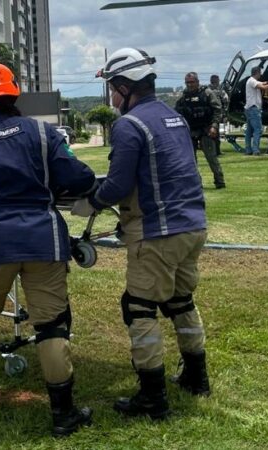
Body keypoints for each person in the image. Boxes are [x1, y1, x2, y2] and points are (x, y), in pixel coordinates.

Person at [0, 63, 96, 437]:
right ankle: (63, 414)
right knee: (52, 324)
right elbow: (79, 177)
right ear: (15, 93)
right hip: (43, 239)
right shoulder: (45, 134)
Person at [74, 47, 211, 420]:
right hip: (193, 226)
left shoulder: (129, 125)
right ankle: (198, 377)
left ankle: (153, 398)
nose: (112, 98)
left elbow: (117, 184)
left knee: (138, 308)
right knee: (181, 300)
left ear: (124, 86)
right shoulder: (175, 118)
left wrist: (93, 203)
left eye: (112, 90)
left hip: (158, 233)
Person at [175, 72, 226, 189]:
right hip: (191, 131)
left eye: (192, 82)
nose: (190, 85)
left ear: (197, 82)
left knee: (211, 157)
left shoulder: (207, 93)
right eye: (188, 82)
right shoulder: (183, 97)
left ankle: (219, 181)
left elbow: (218, 110)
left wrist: (214, 126)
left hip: (206, 129)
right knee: (191, 159)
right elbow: (177, 113)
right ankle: (197, 183)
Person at [245, 66, 268, 156]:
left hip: (249, 108)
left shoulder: (250, 80)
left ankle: (248, 150)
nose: (261, 74)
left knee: (249, 131)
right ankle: (256, 150)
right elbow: (263, 87)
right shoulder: (252, 81)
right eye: (260, 73)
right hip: (254, 108)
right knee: (258, 129)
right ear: (257, 73)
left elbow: (262, 83)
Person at [208, 74, 230, 156]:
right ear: (217, 81)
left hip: (209, 116)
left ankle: (212, 151)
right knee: (217, 134)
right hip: (218, 115)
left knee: (210, 134)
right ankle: (217, 151)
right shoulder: (220, 91)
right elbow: (226, 101)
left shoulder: (206, 91)